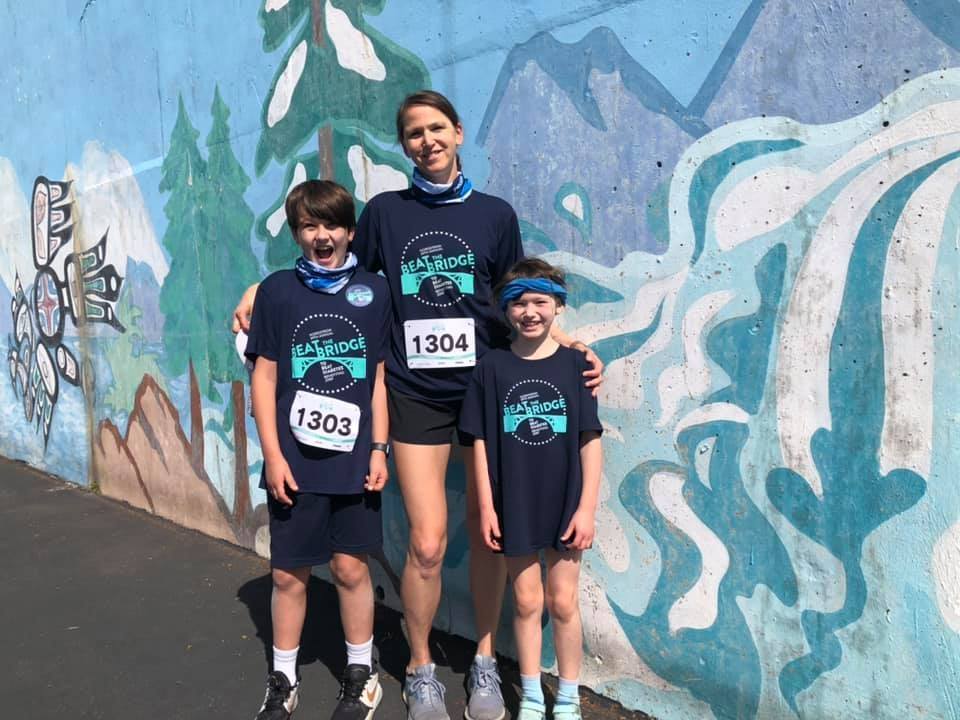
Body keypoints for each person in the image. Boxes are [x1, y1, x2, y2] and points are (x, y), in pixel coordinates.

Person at [234, 90, 603, 720]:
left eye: (436, 128)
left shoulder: (494, 214)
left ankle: (483, 661)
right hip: (415, 397)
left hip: (487, 390)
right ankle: (420, 666)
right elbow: (340, 271)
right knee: (428, 544)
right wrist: (258, 288)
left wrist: (566, 343)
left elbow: (516, 295)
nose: (427, 140)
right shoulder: (386, 212)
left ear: (457, 133)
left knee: (490, 537)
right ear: (403, 145)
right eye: (413, 133)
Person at [246, 180, 392, 720]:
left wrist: (378, 449)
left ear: (350, 231)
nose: (321, 236)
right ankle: (283, 680)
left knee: (351, 570)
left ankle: (361, 674)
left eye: (331, 224)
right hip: (294, 464)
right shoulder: (276, 292)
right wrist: (273, 455)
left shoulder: (374, 292)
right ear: (296, 234)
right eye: (309, 226)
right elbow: (264, 379)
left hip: (354, 463)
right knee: (289, 575)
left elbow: (378, 379)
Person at [459, 258, 602, 720]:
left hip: (565, 503)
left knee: (562, 601)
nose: (529, 312)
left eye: (540, 301)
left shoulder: (577, 366)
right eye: (518, 303)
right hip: (514, 504)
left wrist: (586, 509)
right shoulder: (491, 367)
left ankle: (568, 697)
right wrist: (487, 506)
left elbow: (590, 440)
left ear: (558, 307)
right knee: (525, 601)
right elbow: (480, 442)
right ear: (505, 311)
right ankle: (532, 695)